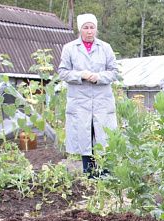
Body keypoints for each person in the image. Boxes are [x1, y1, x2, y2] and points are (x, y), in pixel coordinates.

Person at [58, 13, 118, 176]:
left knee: (103, 135)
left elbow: (114, 72)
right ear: (80, 29)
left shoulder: (105, 48)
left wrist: (99, 77)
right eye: (86, 27)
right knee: (84, 135)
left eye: (92, 27)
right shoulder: (70, 48)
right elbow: (62, 73)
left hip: (101, 100)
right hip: (80, 100)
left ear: (96, 29)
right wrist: (81, 75)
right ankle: (89, 173)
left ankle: (106, 173)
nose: (89, 31)